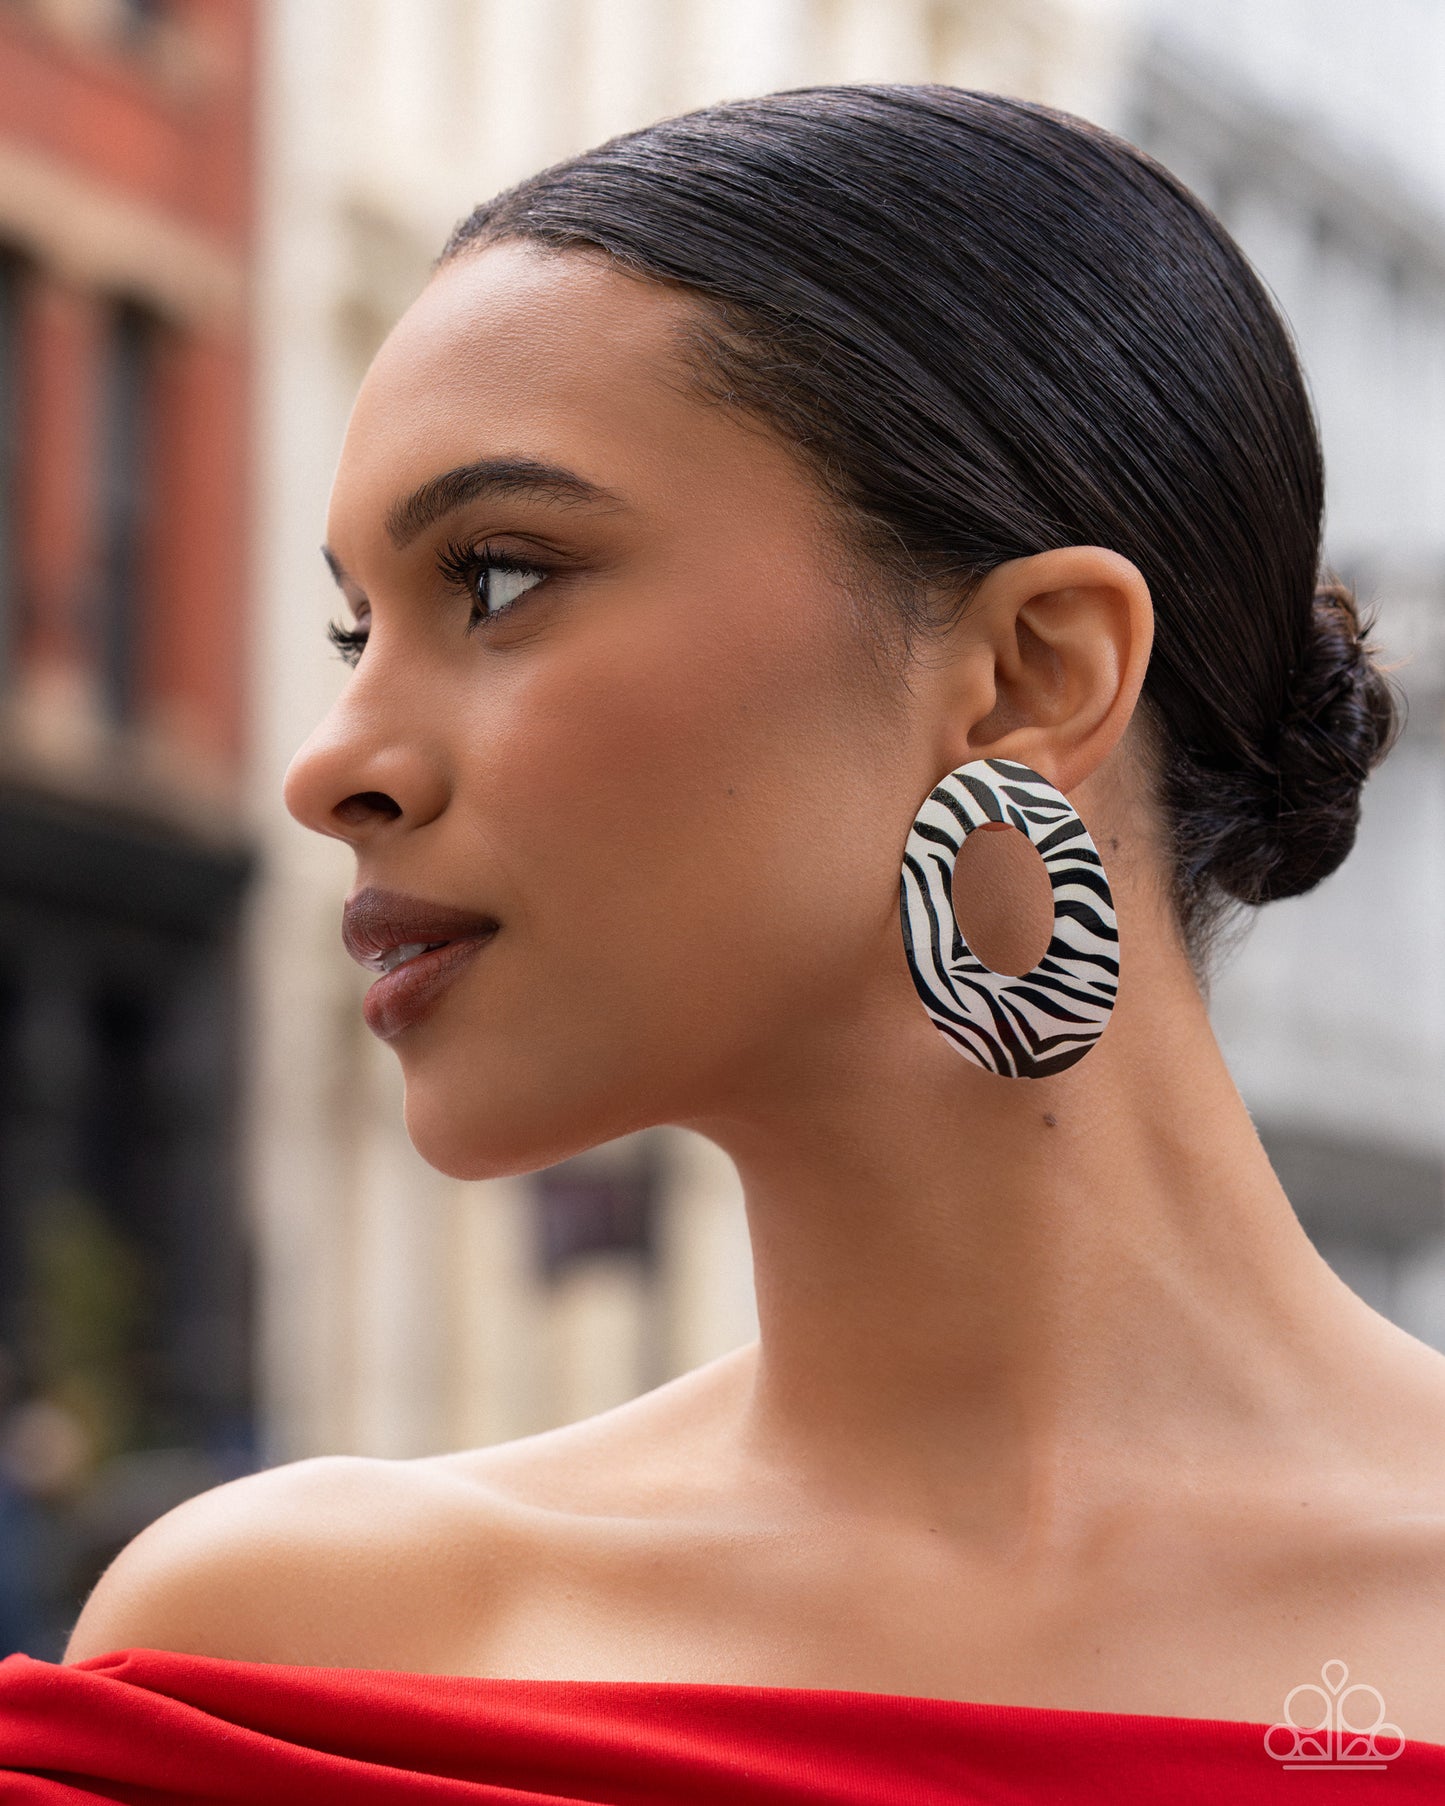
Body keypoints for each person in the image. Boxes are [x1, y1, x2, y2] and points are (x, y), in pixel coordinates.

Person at [4, 83, 1443, 1802]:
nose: (328, 766)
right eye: (352, 623)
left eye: (500, 576)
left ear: (1030, 672)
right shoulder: (273, 1669)